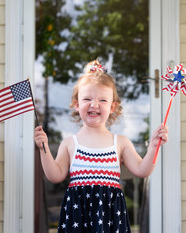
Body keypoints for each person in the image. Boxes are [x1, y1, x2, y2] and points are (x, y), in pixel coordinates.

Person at [34, 59, 168, 233]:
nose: (94, 104)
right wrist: (43, 148)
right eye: (87, 98)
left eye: (103, 100)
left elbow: (143, 170)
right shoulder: (69, 143)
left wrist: (153, 147)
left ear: (113, 107)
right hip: (77, 218)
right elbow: (55, 176)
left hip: (110, 219)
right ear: (77, 104)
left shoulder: (120, 142)